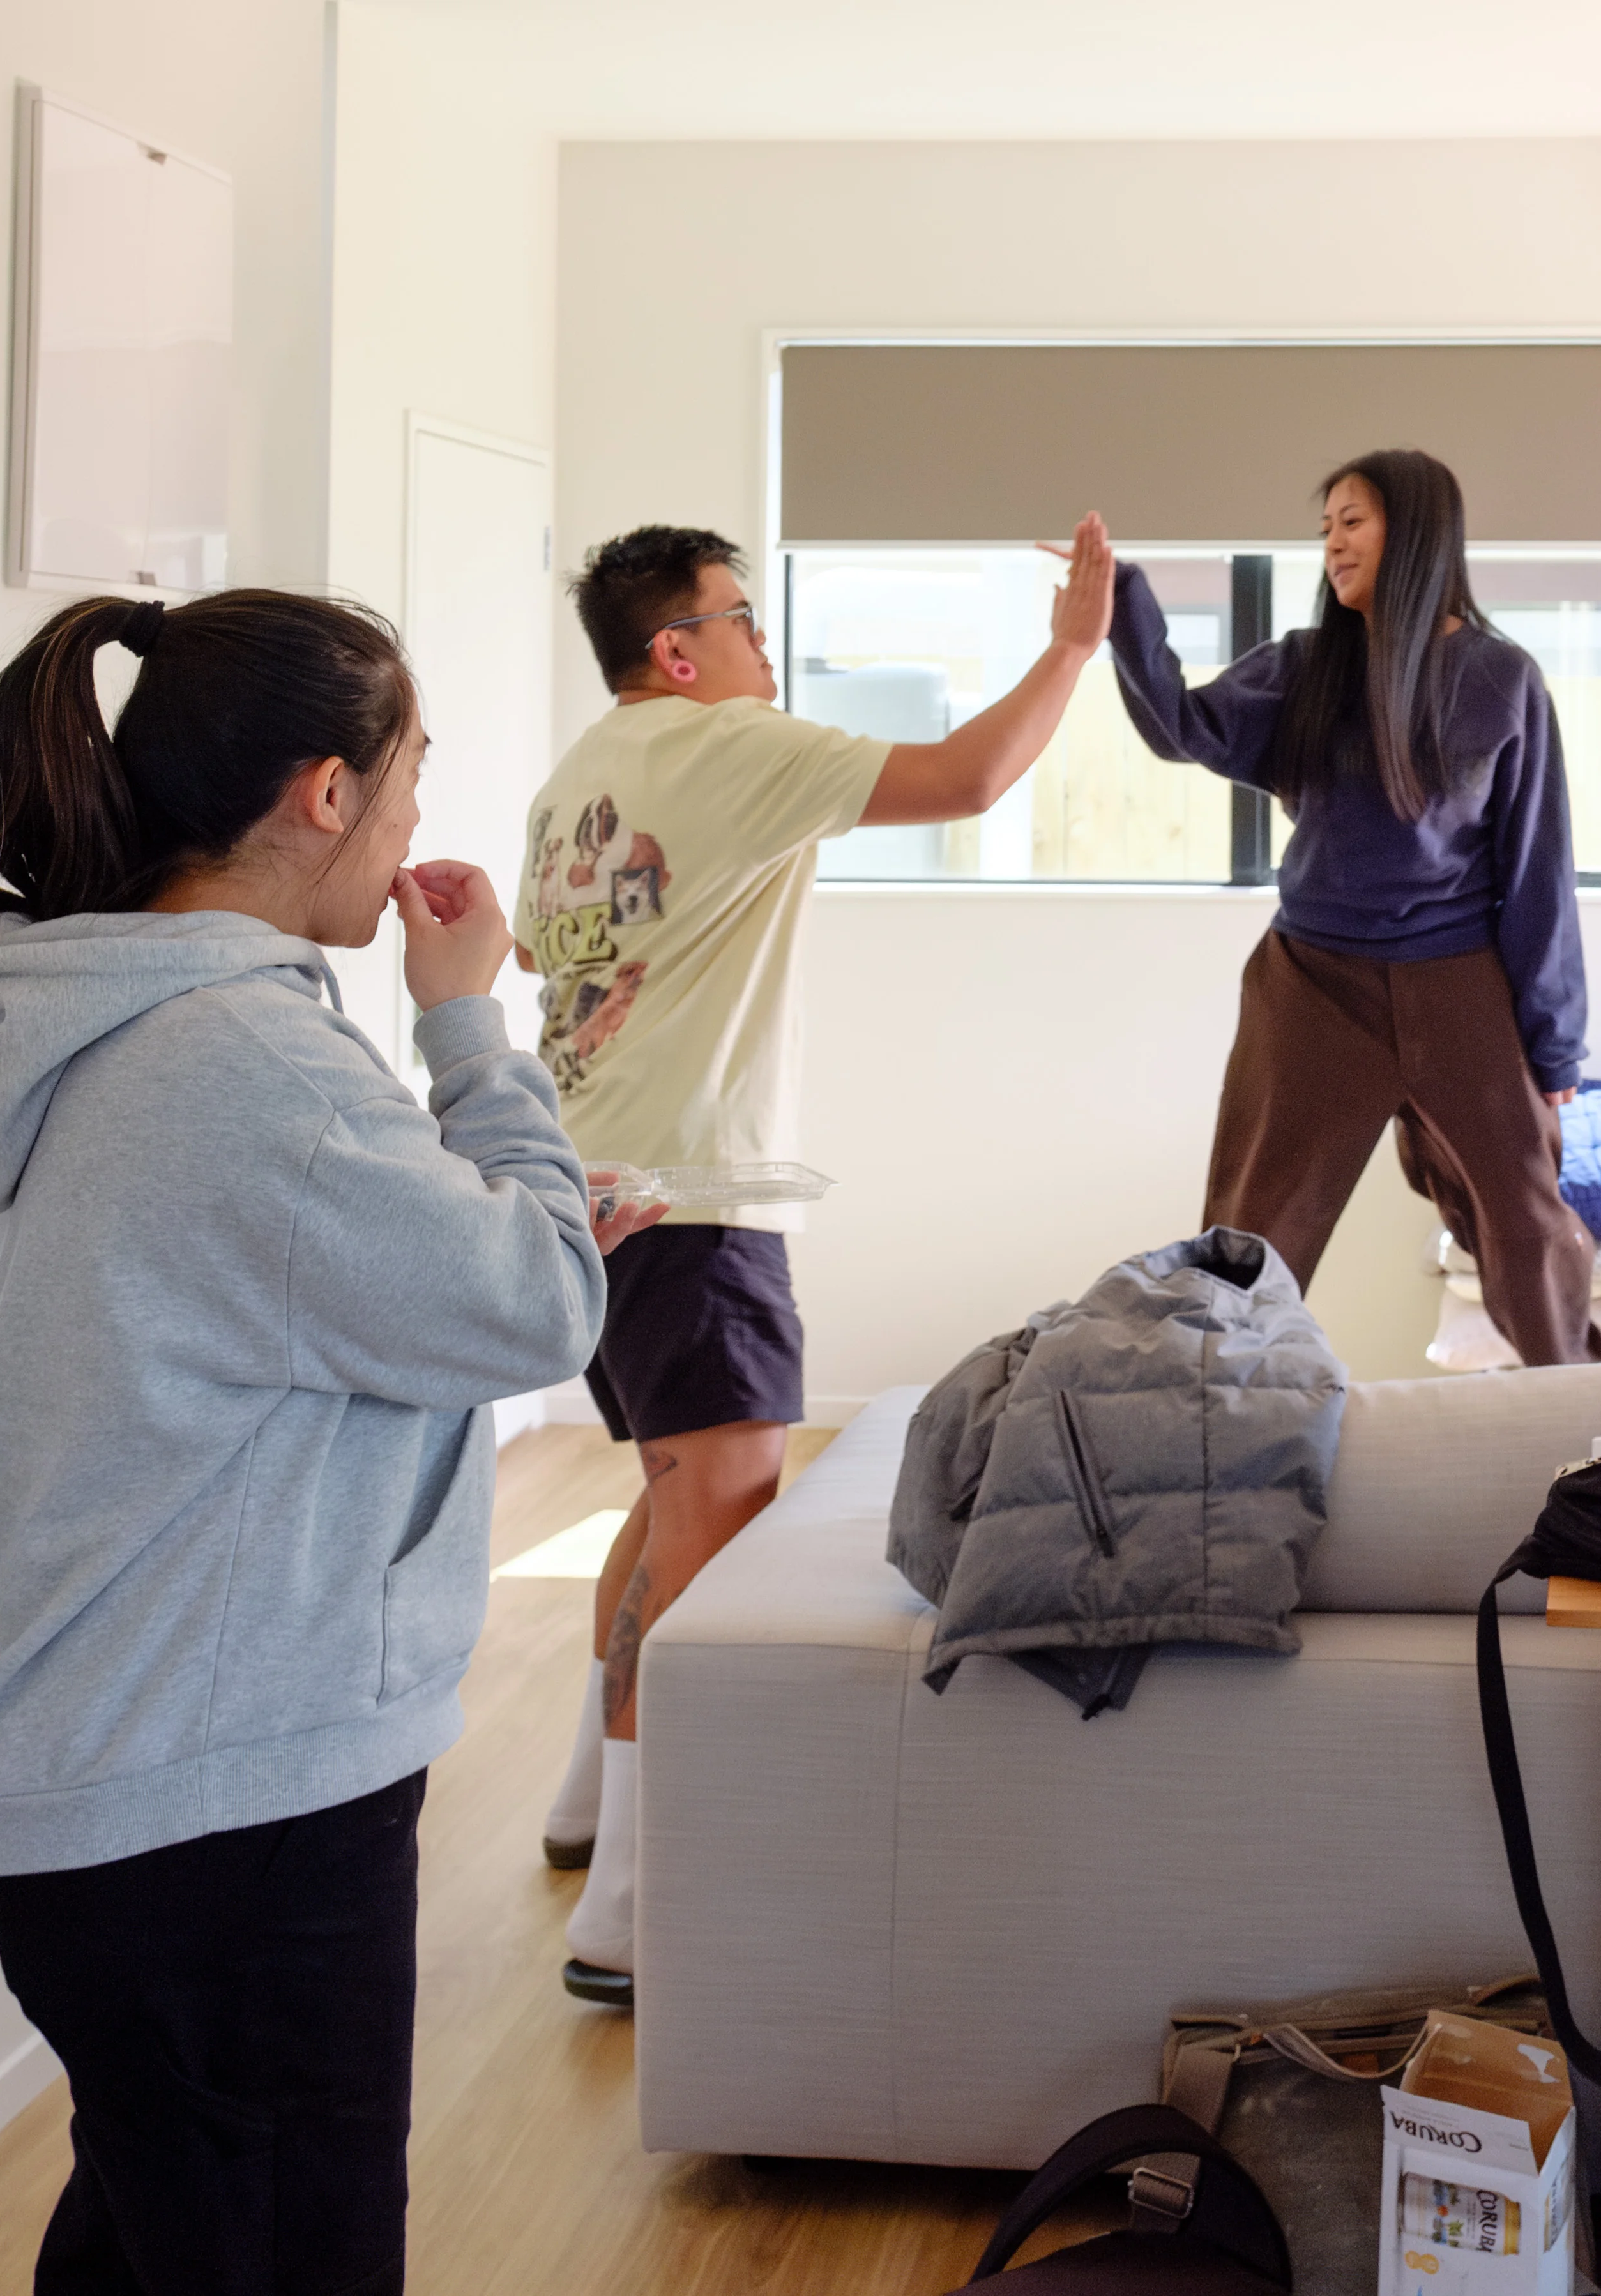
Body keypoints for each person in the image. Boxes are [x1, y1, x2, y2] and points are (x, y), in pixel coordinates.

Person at [0, 589, 641, 2292]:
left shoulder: (114, 1018)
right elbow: (535, 1310)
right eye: (404, 785)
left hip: (112, 1781)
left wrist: (483, 1216)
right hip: (211, 1812)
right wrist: (472, 1033)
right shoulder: (248, 1066)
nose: (407, 832)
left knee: (158, 2232)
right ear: (321, 794)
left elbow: (330, 1290)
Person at [524, 516, 1116, 2002]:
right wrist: (1071, 647)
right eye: (739, 618)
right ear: (678, 649)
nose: (762, 646)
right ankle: (635, 1914)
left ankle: (589, 1802)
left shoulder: (574, 780)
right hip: (699, 1199)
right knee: (714, 1523)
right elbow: (971, 778)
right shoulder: (727, 748)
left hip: (585, 1194)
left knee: (665, 1496)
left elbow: (549, 958)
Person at [1111, 448, 1601, 1365]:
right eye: (1327, 528)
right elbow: (1180, 727)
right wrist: (1123, 604)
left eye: (1353, 521)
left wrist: (1552, 1042)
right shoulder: (1304, 667)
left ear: (1415, 532)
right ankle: (1209, 1428)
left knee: (1526, 1227)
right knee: (1253, 1233)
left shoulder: (1501, 678)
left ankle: (1587, 1424)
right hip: (1312, 985)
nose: (1333, 545)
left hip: (1460, 982)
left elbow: (1539, 867)